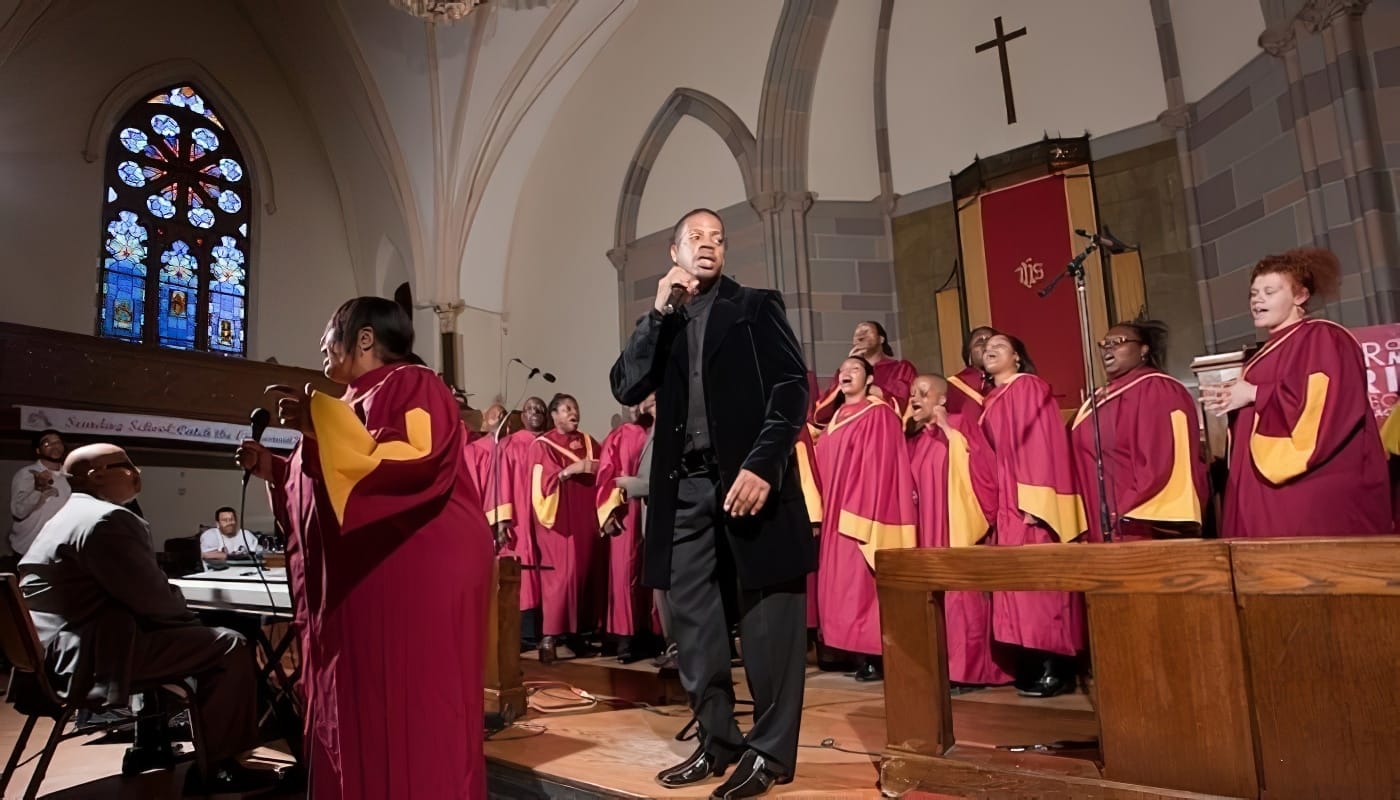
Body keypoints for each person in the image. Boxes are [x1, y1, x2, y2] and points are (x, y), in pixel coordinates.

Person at [238, 297, 492, 799]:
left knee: (411, 708)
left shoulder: (415, 384)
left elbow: (409, 460)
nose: (320, 346)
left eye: (329, 333)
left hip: (414, 571)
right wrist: (278, 469)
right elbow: (332, 485)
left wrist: (319, 426)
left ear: (366, 338)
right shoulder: (344, 405)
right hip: (367, 578)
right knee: (360, 706)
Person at [610, 208, 812, 798]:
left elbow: (792, 387)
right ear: (673, 254)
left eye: (717, 238)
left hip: (750, 479)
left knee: (768, 618)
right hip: (686, 486)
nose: (709, 244)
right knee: (692, 618)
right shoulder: (663, 322)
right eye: (696, 237)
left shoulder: (754, 307)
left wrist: (764, 463)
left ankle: (769, 753)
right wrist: (654, 314)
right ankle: (718, 739)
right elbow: (625, 386)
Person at [20, 444, 274, 795]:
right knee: (229, 643)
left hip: (53, 655)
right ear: (97, 476)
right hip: (91, 658)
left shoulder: (63, 517)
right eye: (125, 464)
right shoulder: (108, 519)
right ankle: (219, 766)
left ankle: (151, 744)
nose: (136, 471)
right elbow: (153, 601)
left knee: (162, 631)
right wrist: (191, 621)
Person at [1204, 248, 1390, 537]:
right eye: (1253, 293)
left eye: (1270, 291)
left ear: (1300, 296)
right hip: (1259, 486)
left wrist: (1254, 393)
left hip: (1306, 487)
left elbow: (1325, 404)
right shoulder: (1265, 352)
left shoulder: (1323, 337)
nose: (1257, 300)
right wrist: (1237, 397)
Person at [977, 333, 1087, 697]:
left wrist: (1037, 504)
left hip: (1029, 502)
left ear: (1019, 359)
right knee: (1018, 589)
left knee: (1041, 589)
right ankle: (1032, 662)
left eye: (1000, 346)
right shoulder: (994, 398)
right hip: (1009, 503)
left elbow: (1040, 445)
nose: (990, 349)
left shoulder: (1027, 388)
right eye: (986, 346)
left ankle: (1056, 667)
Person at [813, 357, 917, 683]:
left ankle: (877, 655)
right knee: (843, 588)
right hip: (834, 514)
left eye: (855, 369)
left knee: (862, 588)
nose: (845, 373)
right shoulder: (833, 422)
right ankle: (856, 652)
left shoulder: (878, 414)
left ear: (870, 379)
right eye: (842, 369)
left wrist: (861, 512)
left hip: (861, 514)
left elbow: (879, 467)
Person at [907, 375, 1012, 687]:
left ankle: (970, 671)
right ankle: (942, 668)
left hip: (955, 527)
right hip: (928, 529)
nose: (914, 398)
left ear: (941, 400)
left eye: (923, 393)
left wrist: (950, 432)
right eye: (912, 393)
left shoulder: (959, 424)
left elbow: (983, 469)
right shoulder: (919, 438)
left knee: (961, 599)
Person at [1071, 321, 1207, 542]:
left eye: (1118, 342)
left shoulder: (1156, 389)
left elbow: (1160, 460)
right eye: (1104, 343)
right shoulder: (1099, 397)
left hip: (1136, 523)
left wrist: (1124, 511)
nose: (1108, 348)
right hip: (1101, 519)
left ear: (1143, 349)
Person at [528, 393, 603, 662]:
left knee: (584, 574)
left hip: (585, 517)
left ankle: (577, 635)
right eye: (567, 408)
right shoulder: (543, 445)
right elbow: (541, 481)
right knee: (561, 577)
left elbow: (605, 468)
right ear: (555, 414)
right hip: (558, 522)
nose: (574, 413)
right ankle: (549, 637)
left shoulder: (588, 441)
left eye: (576, 408)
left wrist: (592, 467)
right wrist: (571, 470)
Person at [596, 394, 660, 663]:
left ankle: (652, 634)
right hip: (626, 512)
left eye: (641, 401)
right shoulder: (618, 435)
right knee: (625, 575)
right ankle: (626, 637)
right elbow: (607, 474)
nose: (637, 408)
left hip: (652, 510)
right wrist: (609, 512)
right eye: (632, 402)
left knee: (651, 575)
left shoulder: (655, 430)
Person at [811, 321, 917, 427]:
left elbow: (903, 405)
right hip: (851, 430)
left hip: (883, 428)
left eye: (866, 331)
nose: (860, 336)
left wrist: (862, 386)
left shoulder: (901, 368)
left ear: (881, 339)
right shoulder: (843, 373)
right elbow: (823, 413)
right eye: (856, 334)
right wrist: (851, 365)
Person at [10, 429, 71, 555]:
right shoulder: (27, 474)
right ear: (38, 450)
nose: (54, 446)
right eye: (47, 444)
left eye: (58, 442)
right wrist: (39, 490)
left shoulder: (69, 477)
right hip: (28, 548)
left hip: (57, 548)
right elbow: (18, 512)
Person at [946, 326, 997, 417]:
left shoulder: (1014, 383)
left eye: (993, 342)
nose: (987, 345)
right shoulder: (952, 387)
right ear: (969, 353)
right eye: (980, 341)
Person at [199, 506, 264, 564]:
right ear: (217, 524)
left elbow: (259, 552)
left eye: (231, 519)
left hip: (245, 573)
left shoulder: (246, 534)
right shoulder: (210, 534)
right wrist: (233, 557)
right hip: (215, 574)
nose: (229, 523)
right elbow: (206, 554)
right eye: (225, 520)